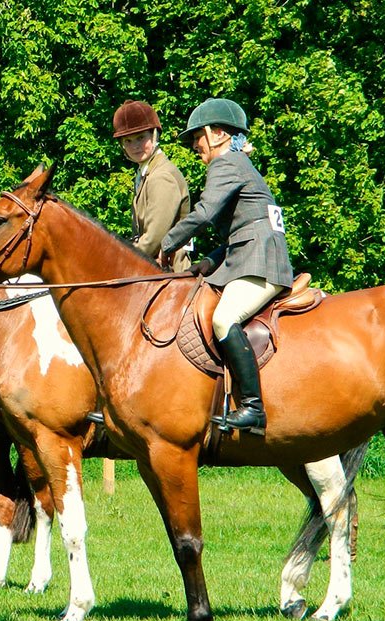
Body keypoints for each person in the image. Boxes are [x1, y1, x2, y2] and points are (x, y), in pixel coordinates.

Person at [157, 98, 294, 435]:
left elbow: (203, 214)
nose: (194, 147)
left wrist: (167, 243)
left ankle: (253, 408)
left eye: (197, 138)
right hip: (252, 255)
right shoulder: (240, 165)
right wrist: (206, 263)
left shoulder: (226, 164)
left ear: (217, 134)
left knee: (223, 318)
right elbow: (241, 232)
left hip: (260, 263)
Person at [112, 100, 192, 271]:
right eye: (128, 141)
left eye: (141, 138)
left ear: (154, 135)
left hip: (169, 273)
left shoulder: (161, 176)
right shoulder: (145, 173)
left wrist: (121, 262)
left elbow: (154, 238)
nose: (135, 146)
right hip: (152, 268)